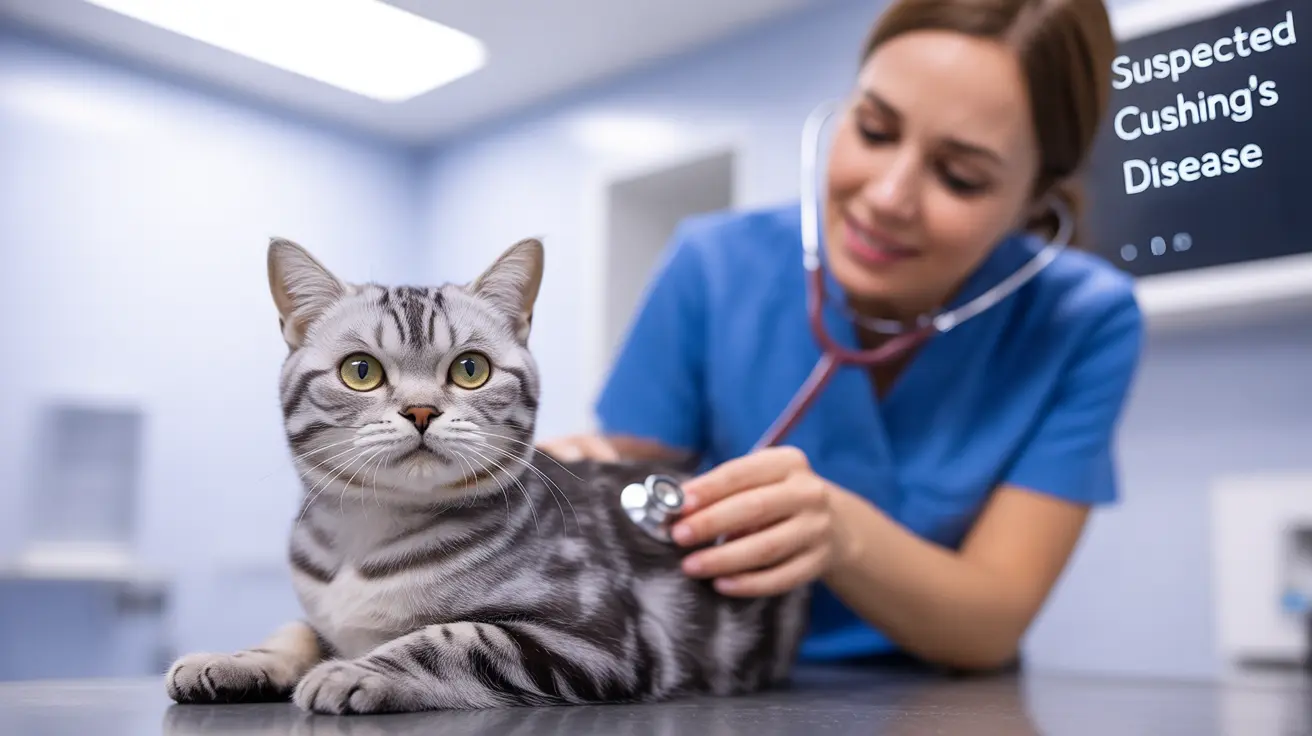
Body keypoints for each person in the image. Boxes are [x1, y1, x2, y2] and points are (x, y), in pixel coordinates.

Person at [540, 0, 1142, 672]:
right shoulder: (711, 264)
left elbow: (993, 622)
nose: (888, 196)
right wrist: (574, 485)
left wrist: (841, 533)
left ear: (1035, 199)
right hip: (720, 672)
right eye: (875, 130)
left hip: (942, 703)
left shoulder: (1085, 319)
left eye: (960, 176)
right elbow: (630, 480)